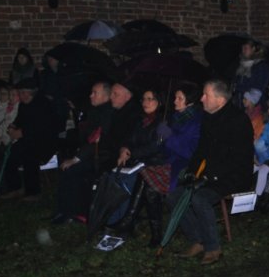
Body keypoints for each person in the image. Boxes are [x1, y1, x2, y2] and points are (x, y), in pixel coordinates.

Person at [169, 79, 253, 265]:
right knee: (175, 195)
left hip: (234, 176)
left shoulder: (238, 120)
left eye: (206, 95)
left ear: (220, 100)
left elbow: (237, 158)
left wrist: (209, 177)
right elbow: (202, 149)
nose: (201, 99)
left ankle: (213, 248)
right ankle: (197, 240)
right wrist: (192, 172)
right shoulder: (208, 117)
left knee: (200, 198)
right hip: (211, 173)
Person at [111, 90, 170, 246]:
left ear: (159, 102)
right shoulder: (141, 121)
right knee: (144, 180)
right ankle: (131, 221)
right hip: (143, 165)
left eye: (150, 99)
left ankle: (132, 222)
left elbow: (158, 147)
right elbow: (129, 139)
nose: (145, 102)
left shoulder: (164, 122)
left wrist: (132, 153)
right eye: (144, 99)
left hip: (161, 165)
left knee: (149, 188)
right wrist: (124, 148)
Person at [50, 81, 114, 224]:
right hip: (89, 153)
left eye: (95, 93)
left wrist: (76, 159)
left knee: (72, 170)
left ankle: (72, 211)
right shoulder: (94, 110)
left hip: (101, 156)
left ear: (106, 96)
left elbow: (96, 140)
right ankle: (64, 210)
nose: (91, 96)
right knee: (66, 167)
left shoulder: (107, 113)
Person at [1, 79, 57, 200]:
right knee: (11, 154)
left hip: (44, 141)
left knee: (30, 156)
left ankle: (33, 191)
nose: (22, 96)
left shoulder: (43, 104)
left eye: (24, 93)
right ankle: (14, 187)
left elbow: (43, 127)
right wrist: (13, 126)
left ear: (31, 93)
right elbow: (20, 119)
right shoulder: (23, 105)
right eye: (20, 93)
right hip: (27, 140)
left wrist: (22, 132)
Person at [164, 82, 203, 192]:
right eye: (175, 97)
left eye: (180, 98)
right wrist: (160, 137)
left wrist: (168, 136)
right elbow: (160, 142)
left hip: (182, 165)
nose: (175, 101)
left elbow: (191, 151)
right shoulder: (173, 117)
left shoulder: (198, 122)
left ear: (190, 101)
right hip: (165, 159)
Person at [232, 39, 269, 109]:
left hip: (253, 104)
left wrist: (251, 99)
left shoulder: (260, 65)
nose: (243, 51)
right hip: (239, 102)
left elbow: (260, 85)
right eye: (242, 48)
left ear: (253, 49)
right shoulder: (241, 64)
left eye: (245, 48)